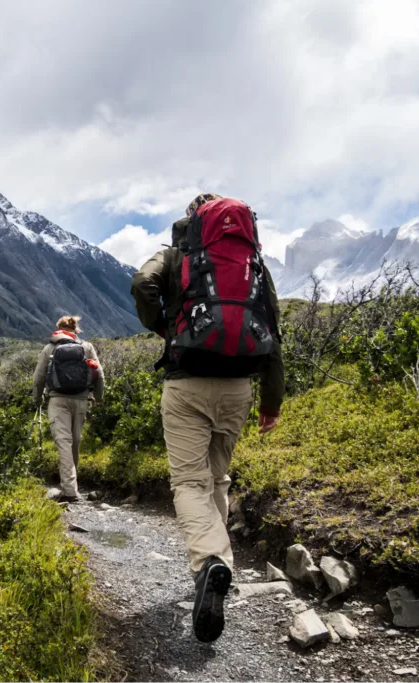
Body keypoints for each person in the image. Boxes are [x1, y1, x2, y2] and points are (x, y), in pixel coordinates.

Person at [131, 193, 284, 643]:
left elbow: (142, 284)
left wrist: (161, 325)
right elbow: (272, 328)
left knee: (189, 483)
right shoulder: (252, 263)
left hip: (187, 383)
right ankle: (217, 565)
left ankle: (210, 563)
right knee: (217, 478)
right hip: (239, 387)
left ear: (193, 219)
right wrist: (271, 402)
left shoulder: (178, 254)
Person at [32, 315, 104, 503]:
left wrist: (38, 400)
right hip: (81, 400)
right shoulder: (86, 347)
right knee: (75, 441)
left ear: (58, 329)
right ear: (76, 330)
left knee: (63, 441)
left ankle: (70, 490)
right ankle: (72, 485)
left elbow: (38, 378)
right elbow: (100, 374)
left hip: (58, 401)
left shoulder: (49, 348)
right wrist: (98, 397)